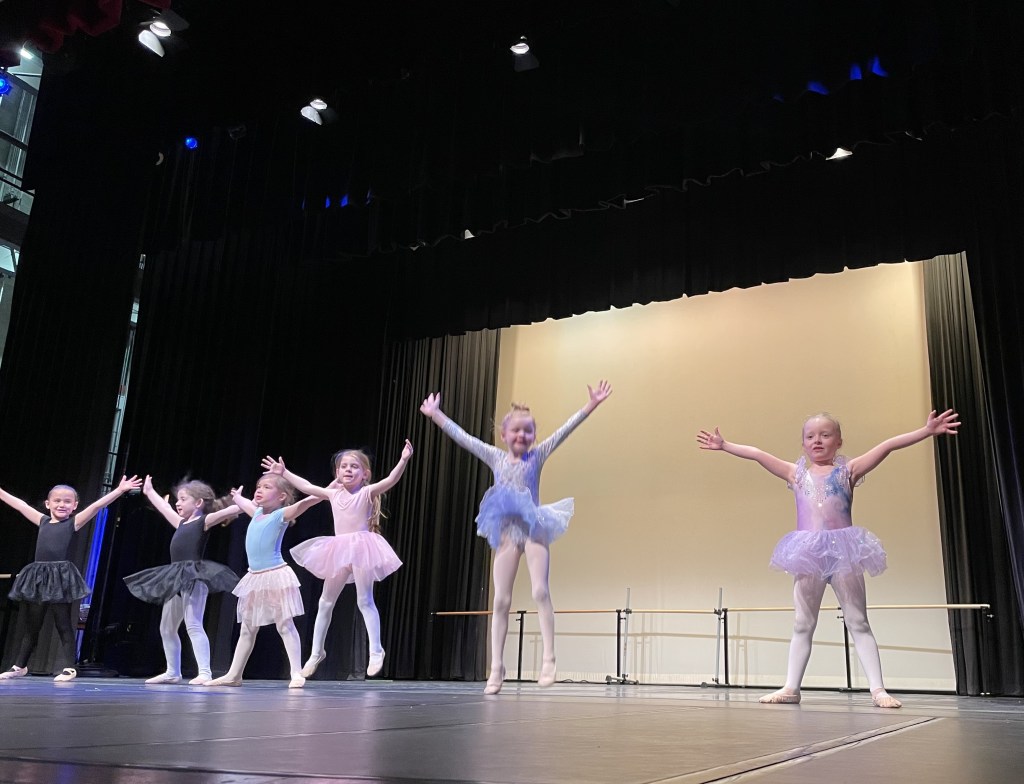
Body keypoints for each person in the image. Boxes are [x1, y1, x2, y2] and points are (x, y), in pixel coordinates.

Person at [696, 409, 960, 708]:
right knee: (802, 622)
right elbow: (757, 454)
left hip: (843, 551)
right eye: (810, 436)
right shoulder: (796, 474)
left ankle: (878, 690)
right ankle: (791, 687)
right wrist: (725, 445)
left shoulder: (848, 471)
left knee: (858, 621)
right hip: (808, 553)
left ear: (839, 441)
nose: (817, 440)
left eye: (825, 435)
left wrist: (926, 431)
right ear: (803, 444)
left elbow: (887, 446)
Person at [420, 381, 612, 694]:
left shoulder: (538, 455)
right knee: (501, 600)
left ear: (534, 435)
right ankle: (497, 667)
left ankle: (549, 659)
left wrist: (591, 405)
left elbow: (565, 430)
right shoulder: (495, 457)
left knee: (540, 591)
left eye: (528, 431)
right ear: (504, 435)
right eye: (516, 431)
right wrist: (436, 415)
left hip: (534, 529)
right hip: (508, 533)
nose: (522, 435)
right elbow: (465, 439)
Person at [262, 439, 413, 679]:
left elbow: (390, 481)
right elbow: (308, 486)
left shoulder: (366, 492)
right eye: (343, 466)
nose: (348, 470)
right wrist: (284, 472)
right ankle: (316, 653)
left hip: (362, 547)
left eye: (354, 466)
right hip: (338, 549)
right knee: (325, 602)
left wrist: (403, 460)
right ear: (337, 472)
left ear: (365, 474)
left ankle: (376, 650)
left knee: (365, 600)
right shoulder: (332, 493)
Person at [0, 475, 143, 682]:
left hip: (59, 578)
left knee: (63, 623)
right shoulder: (42, 521)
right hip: (39, 578)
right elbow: (20, 504)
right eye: (57, 500)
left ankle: (69, 666)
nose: (62, 504)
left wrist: (119, 490)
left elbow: (96, 506)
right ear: (48, 504)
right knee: (33, 625)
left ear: (75, 505)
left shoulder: (72, 523)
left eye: (67, 501)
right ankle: (19, 666)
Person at [206, 474, 323, 688]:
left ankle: (296, 672)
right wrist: (237, 497)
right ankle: (234, 675)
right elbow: (243, 502)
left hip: (275, 574)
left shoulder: (281, 515)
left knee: (285, 625)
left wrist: (331, 490)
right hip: (254, 577)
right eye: (258, 486)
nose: (259, 490)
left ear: (282, 496)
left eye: (267, 487)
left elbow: (308, 501)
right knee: (247, 629)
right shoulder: (256, 512)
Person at [123, 476, 241, 685]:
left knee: (193, 624)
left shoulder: (203, 521)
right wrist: (149, 491)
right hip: (175, 578)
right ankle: (172, 672)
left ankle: (205, 672)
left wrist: (243, 501)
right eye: (177, 499)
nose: (177, 503)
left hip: (193, 576)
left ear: (198, 503)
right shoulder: (181, 523)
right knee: (166, 628)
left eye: (183, 499)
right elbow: (163, 507)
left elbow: (229, 510)